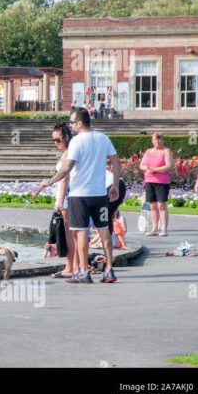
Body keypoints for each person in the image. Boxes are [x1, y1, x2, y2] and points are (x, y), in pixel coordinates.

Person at [40, 108, 120, 284]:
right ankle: (109, 270)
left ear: (79, 123)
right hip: (99, 194)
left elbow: (67, 168)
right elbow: (115, 161)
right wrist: (114, 185)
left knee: (81, 233)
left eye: (72, 122)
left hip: (79, 196)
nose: (70, 125)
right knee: (104, 230)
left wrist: (50, 180)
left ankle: (83, 272)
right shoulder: (103, 138)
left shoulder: (76, 142)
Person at [49, 122, 79, 278]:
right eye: (54, 140)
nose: (56, 143)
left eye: (58, 139)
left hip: (66, 196)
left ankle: (70, 267)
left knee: (69, 234)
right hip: (67, 195)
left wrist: (59, 201)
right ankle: (74, 266)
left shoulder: (68, 153)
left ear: (66, 137)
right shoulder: (67, 152)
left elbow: (65, 179)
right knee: (72, 233)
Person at [140, 133, 173, 236]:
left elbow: (169, 166)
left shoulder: (166, 151)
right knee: (153, 205)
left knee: (161, 205)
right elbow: (142, 165)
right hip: (149, 180)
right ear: (152, 140)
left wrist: (155, 169)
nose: (157, 142)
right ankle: (154, 228)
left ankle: (163, 229)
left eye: (159, 140)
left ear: (162, 140)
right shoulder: (148, 151)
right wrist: (147, 168)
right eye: (155, 140)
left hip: (162, 182)